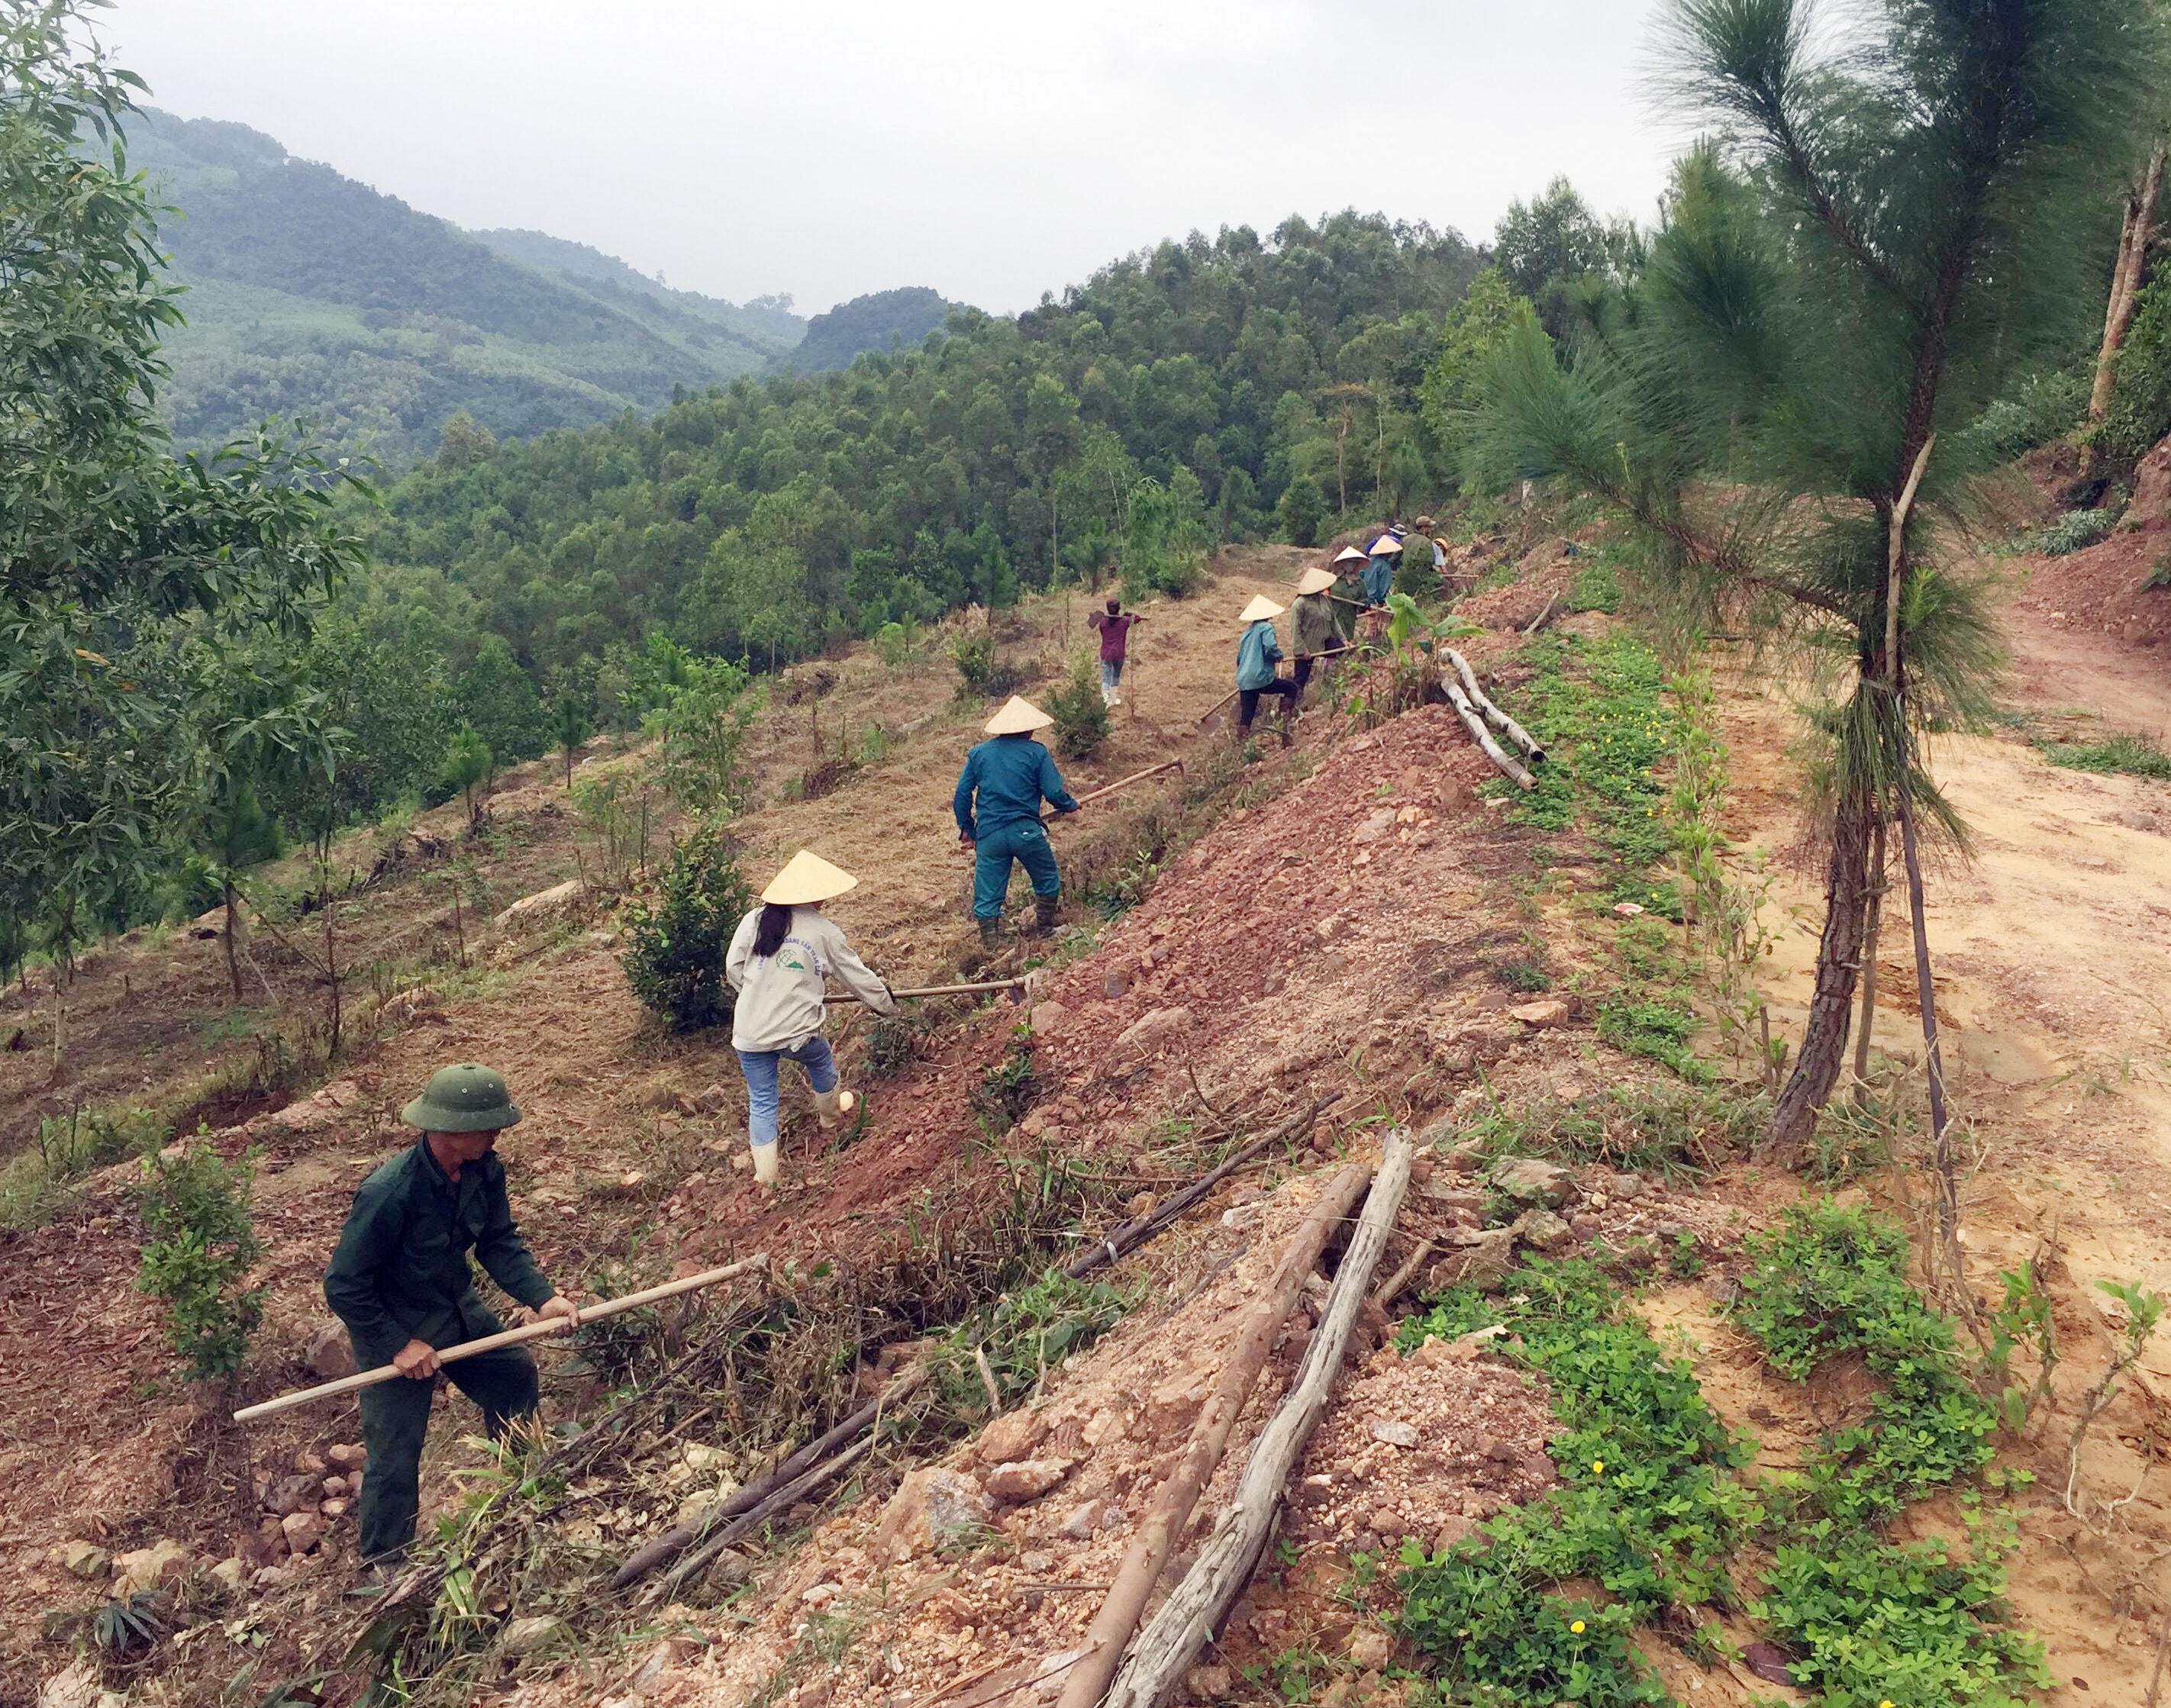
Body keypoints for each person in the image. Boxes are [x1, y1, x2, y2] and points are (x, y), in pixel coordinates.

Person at [324, 1063, 579, 1570]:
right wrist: (399, 1344)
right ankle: (384, 1568)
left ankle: (520, 1491)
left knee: (513, 1374)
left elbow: (498, 1241)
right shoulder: (388, 1193)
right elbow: (344, 1284)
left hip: (454, 1307)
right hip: (392, 1327)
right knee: (395, 1451)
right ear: (453, 1131)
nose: (499, 1132)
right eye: (489, 1125)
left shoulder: (485, 1169)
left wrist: (543, 1298)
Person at [725, 850, 898, 1188]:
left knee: (762, 1101)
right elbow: (857, 977)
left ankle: (767, 1180)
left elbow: (733, 968)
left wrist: (758, 991)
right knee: (820, 1060)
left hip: (749, 1033)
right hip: (797, 1034)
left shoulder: (754, 920)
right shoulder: (823, 931)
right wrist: (887, 1005)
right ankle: (831, 1120)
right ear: (814, 894)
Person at [953, 695, 1080, 947]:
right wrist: (1069, 805)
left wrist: (967, 828)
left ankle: (991, 944)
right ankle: (1045, 930)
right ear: (1029, 728)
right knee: (1046, 877)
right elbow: (1053, 791)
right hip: (1025, 831)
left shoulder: (978, 754)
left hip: (989, 835)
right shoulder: (1037, 752)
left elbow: (961, 794)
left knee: (988, 891)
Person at [1234, 595, 1298, 743]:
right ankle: (1283, 723)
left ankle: (1241, 745)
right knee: (1290, 688)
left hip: (1244, 680)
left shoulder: (1246, 634)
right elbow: (1270, 648)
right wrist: (1278, 655)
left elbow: (1239, 659)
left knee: (1247, 716)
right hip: (1260, 677)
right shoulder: (1267, 627)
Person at [1290, 566, 1350, 696]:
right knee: (1300, 679)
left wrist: (1344, 639)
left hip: (1325, 642)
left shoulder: (1324, 600)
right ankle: (1291, 705)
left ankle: (1332, 684)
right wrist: (1301, 650)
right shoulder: (1299, 604)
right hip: (1308, 646)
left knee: (1344, 651)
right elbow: (1295, 630)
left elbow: (1334, 622)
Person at [1086, 596, 1144, 707]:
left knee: (1105, 678)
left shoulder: (1103, 621)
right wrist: (1129, 614)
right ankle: (1113, 699)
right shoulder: (1125, 621)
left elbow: (1103, 633)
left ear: (1108, 608)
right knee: (1116, 676)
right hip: (1119, 654)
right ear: (1119, 608)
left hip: (1106, 653)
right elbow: (1137, 619)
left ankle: (1107, 701)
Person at [1361, 533, 1399, 607]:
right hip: (1374, 601)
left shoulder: (1369, 562)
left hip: (1364, 598)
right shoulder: (1384, 566)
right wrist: (1383, 602)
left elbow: (1361, 575)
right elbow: (1383, 588)